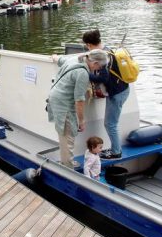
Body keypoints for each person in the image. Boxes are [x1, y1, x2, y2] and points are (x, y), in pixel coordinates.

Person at [47, 50, 108, 169]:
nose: (99, 69)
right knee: (67, 135)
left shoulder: (75, 59)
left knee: (65, 132)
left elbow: (59, 59)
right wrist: (81, 121)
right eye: (100, 66)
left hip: (56, 97)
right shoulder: (83, 73)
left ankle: (67, 160)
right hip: (63, 104)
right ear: (95, 62)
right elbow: (79, 100)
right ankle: (67, 167)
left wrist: (54, 56)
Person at [83, 30, 130, 160]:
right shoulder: (107, 49)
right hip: (122, 89)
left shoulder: (102, 56)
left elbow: (103, 78)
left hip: (117, 94)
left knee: (110, 124)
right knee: (111, 123)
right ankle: (116, 149)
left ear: (89, 45)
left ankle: (116, 152)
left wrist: (84, 74)